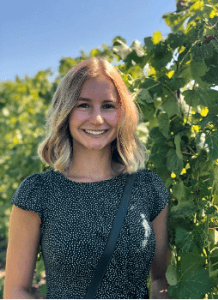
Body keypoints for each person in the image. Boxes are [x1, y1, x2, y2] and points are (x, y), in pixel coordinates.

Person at [3, 57, 171, 299]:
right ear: (66, 111)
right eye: (83, 105)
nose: (97, 119)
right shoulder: (38, 192)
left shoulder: (148, 188)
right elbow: (16, 291)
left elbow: (160, 279)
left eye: (108, 106)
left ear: (122, 112)